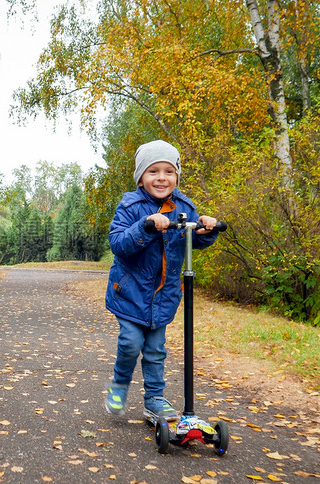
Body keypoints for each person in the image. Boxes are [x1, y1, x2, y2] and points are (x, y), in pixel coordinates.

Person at [103, 139, 218, 420]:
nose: (161, 178)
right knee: (131, 343)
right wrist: (146, 226)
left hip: (163, 296)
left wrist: (206, 228)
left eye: (168, 171)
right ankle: (119, 385)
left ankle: (154, 399)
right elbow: (118, 244)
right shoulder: (130, 206)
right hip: (131, 294)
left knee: (155, 350)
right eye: (153, 171)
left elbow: (190, 240)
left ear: (176, 175)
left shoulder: (184, 206)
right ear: (141, 177)